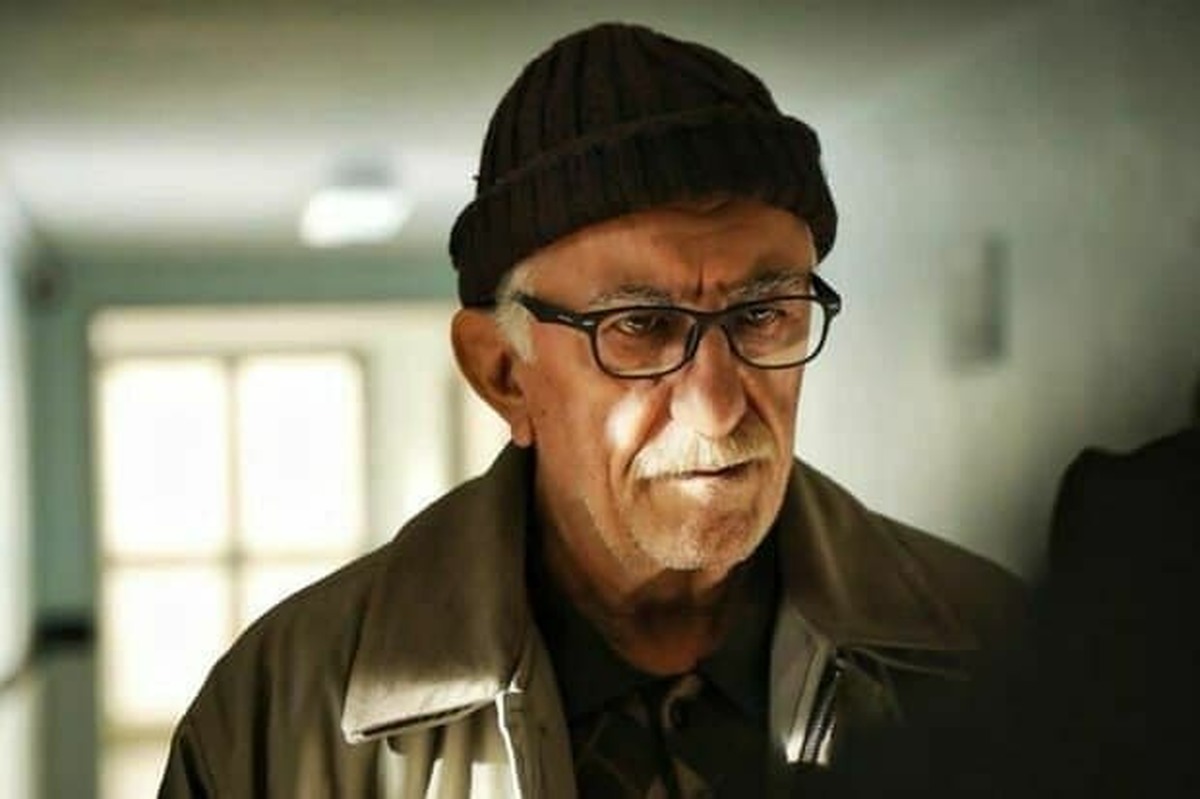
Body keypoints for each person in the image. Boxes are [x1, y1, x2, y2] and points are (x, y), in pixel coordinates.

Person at [159, 22, 1025, 798]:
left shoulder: (1006, 656)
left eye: (765, 314)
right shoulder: (280, 717)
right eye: (641, 327)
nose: (717, 406)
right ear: (504, 374)